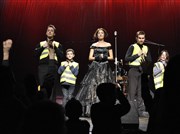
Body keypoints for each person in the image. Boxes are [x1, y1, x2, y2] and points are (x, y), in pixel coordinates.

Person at [76, 28, 114, 116]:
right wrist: (98, 57)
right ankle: (92, 109)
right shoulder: (94, 45)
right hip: (95, 66)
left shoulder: (108, 44)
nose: (100, 34)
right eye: (99, 33)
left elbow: (111, 57)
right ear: (96, 35)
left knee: (104, 85)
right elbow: (90, 57)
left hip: (105, 67)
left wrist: (104, 56)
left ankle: (105, 108)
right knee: (92, 87)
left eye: (102, 33)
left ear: (104, 35)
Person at [125, 30, 152, 117]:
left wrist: (145, 56)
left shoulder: (146, 48)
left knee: (140, 92)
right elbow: (127, 58)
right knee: (132, 92)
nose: (141, 40)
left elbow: (150, 60)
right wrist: (137, 54)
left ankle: (140, 111)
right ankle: (130, 111)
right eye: (139, 38)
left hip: (141, 71)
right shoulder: (132, 46)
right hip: (133, 69)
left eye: (143, 38)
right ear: (136, 38)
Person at [35, 24, 63, 100]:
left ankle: (50, 106)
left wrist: (54, 47)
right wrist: (43, 47)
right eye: (48, 30)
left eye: (52, 31)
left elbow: (61, 56)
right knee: (42, 86)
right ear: (46, 32)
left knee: (52, 87)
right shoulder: (41, 43)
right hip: (42, 67)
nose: (50, 32)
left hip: (53, 66)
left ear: (54, 33)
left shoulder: (58, 44)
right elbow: (35, 54)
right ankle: (41, 104)